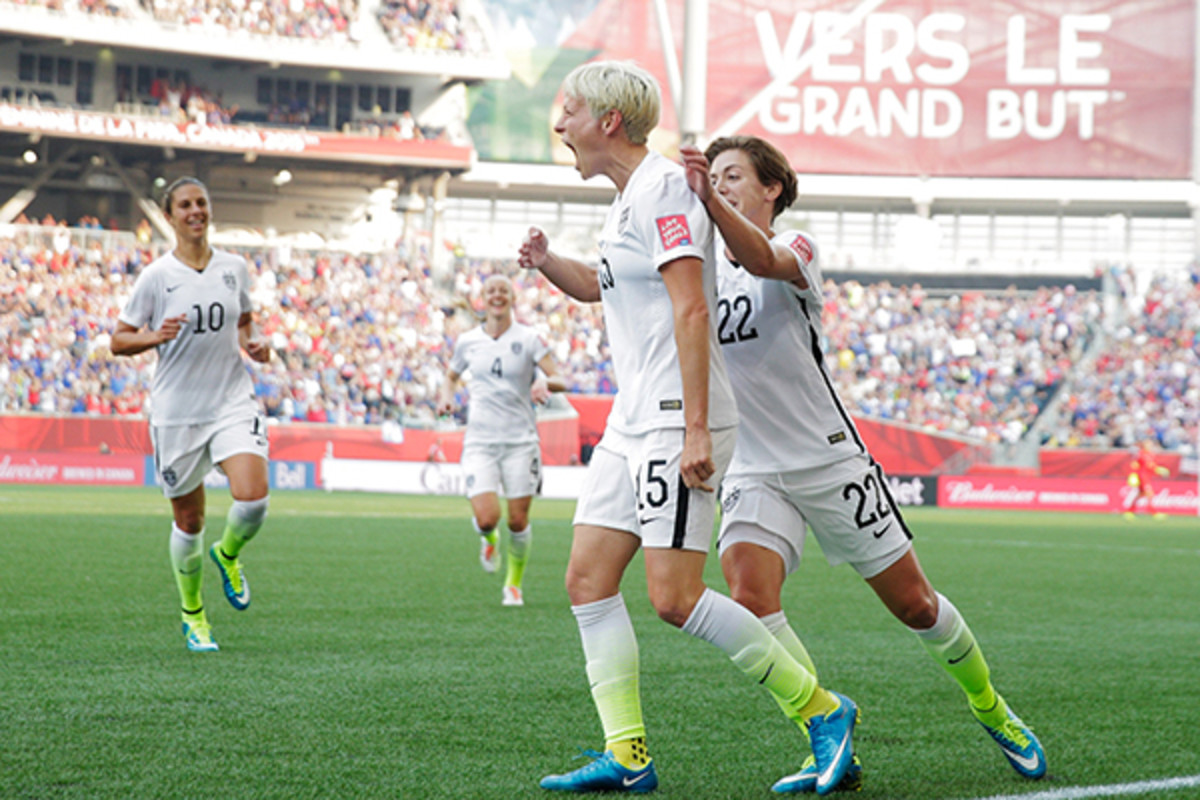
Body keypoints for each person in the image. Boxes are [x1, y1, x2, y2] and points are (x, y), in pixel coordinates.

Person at [518, 60, 859, 796]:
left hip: (675, 418)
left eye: (569, 111)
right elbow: (605, 289)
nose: (559, 125)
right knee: (586, 580)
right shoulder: (626, 201)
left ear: (609, 121)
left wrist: (696, 431)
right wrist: (549, 263)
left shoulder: (665, 187)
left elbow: (693, 307)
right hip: (632, 418)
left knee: (674, 598)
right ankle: (628, 754)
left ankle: (823, 711)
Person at [680, 135, 1048, 789]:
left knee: (916, 606)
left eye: (735, 175)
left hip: (829, 462)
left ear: (772, 189)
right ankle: (824, 736)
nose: (723, 183)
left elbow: (760, 256)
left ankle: (991, 708)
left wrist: (707, 198)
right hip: (755, 468)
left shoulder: (799, 249)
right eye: (717, 176)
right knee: (748, 594)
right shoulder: (699, 268)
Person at [111, 177, 272, 653]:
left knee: (253, 498)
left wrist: (255, 345)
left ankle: (230, 553)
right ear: (171, 215)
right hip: (178, 412)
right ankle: (193, 615)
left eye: (202, 201)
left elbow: (244, 319)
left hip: (230, 401)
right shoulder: (157, 277)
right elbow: (119, 340)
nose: (196, 210)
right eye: (185, 204)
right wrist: (154, 337)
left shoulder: (233, 267)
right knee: (189, 521)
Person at [436, 274, 566, 606]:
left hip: (521, 441)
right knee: (486, 517)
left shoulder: (530, 338)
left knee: (518, 519)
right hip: (480, 440)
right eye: (491, 290)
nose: (497, 295)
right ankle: (489, 539)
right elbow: (450, 377)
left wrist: (545, 384)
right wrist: (446, 397)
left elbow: (558, 377)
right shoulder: (468, 341)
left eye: (503, 290)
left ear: (511, 298)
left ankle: (513, 585)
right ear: (483, 297)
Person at [1124, 441, 1170, 520]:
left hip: (1148, 477)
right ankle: (1154, 513)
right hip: (1142, 477)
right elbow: (1135, 465)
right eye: (1148, 444)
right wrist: (1133, 475)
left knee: (1140, 495)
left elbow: (1152, 466)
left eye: (1151, 444)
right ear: (1144, 445)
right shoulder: (1140, 454)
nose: (1150, 445)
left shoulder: (1151, 454)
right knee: (1150, 494)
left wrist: (1158, 470)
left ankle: (1129, 512)